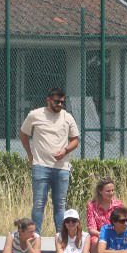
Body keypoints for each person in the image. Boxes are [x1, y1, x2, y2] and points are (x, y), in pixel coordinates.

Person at [19, 86, 78, 233]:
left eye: (62, 102)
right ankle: (35, 236)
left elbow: (75, 140)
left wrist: (65, 151)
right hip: (40, 166)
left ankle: (61, 237)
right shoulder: (35, 115)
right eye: (57, 102)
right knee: (39, 204)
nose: (59, 105)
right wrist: (30, 154)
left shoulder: (67, 117)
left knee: (60, 205)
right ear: (48, 100)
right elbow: (23, 134)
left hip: (62, 168)